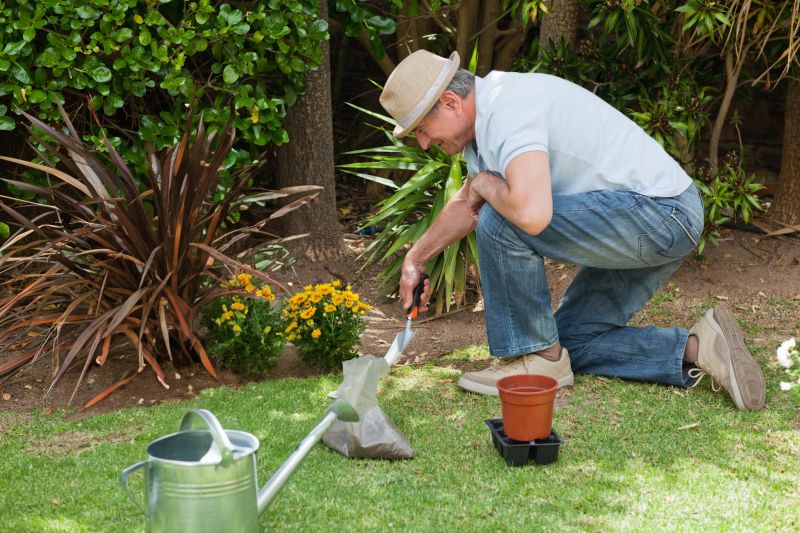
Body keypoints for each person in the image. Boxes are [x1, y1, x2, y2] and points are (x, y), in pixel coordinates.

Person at [378, 50, 766, 410]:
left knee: (502, 218)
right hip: (647, 218)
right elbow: (466, 204)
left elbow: (530, 215)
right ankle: (701, 347)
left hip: (659, 215)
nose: (425, 143)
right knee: (571, 344)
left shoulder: (508, 109)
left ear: (450, 102)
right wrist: (415, 258)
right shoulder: (484, 129)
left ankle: (537, 360)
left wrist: (485, 187)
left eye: (422, 129)